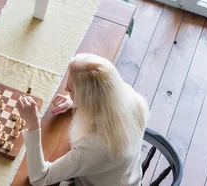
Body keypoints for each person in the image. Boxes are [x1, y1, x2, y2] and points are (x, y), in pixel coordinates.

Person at [16, 53, 149, 186]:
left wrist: (34, 125)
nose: (65, 89)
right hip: (126, 176)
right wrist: (73, 101)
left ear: (87, 98)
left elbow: (39, 178)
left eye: (71, 89)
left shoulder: (95, 146)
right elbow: (102, 93)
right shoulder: (130, 97)